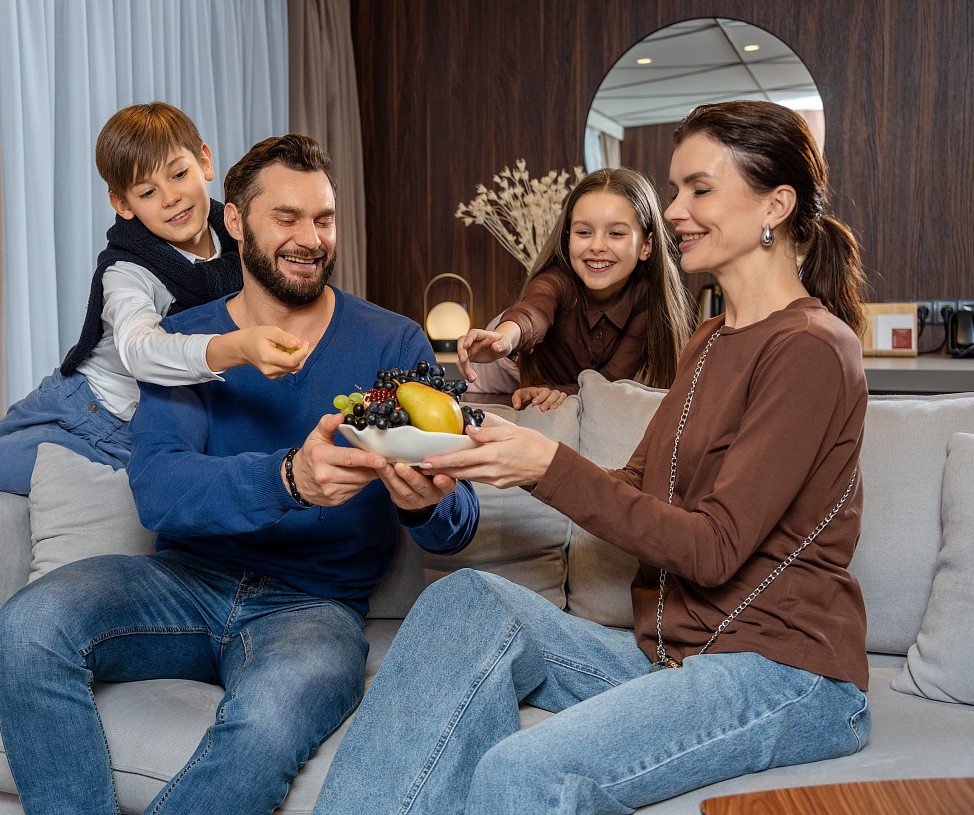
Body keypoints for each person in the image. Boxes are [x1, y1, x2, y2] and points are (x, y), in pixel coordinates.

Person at [314, 100, 872, 815]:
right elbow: (634, 487)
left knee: (521, 773)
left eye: (698, 189)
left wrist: (546, 465)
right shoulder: (709, 342)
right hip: (670, 657)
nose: (675, 211)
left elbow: (711, 549)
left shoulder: (811, 349)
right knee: (466, 599)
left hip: (784, 672)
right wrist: (489, 452)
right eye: (676, 190)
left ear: (776, 204)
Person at [0, 134, 480, 815]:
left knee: (267, 722)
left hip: (314, 608)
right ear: (237, 221)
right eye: (287, 218)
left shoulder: (391, 342)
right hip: (183, 584)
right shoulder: (186, 342)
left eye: (324, 219)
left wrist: (427, 504)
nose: (310, 239)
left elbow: (457, 523)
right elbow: (160, 492)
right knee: (26, 628)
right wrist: (288, 479)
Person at [0, 102, 308, 503]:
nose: (171, 198)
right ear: (123, 204)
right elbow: (140, 351)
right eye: (148, 192)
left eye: (179, 174)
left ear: (204, 161)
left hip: (138, 434)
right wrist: (239, 347)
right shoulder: (126, 271)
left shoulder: (240, 238)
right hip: (82, 408)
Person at [458, 166, 695, 410]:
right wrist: (504, 338)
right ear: (568, 237)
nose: (597, 246)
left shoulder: (647, 300)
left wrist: (560, 392)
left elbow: (610, 381)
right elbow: (534, 311)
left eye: (616, 233)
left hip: (550, 390)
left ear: (646, 245)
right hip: (489, 379)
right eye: (583, 232)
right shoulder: (555, 280)